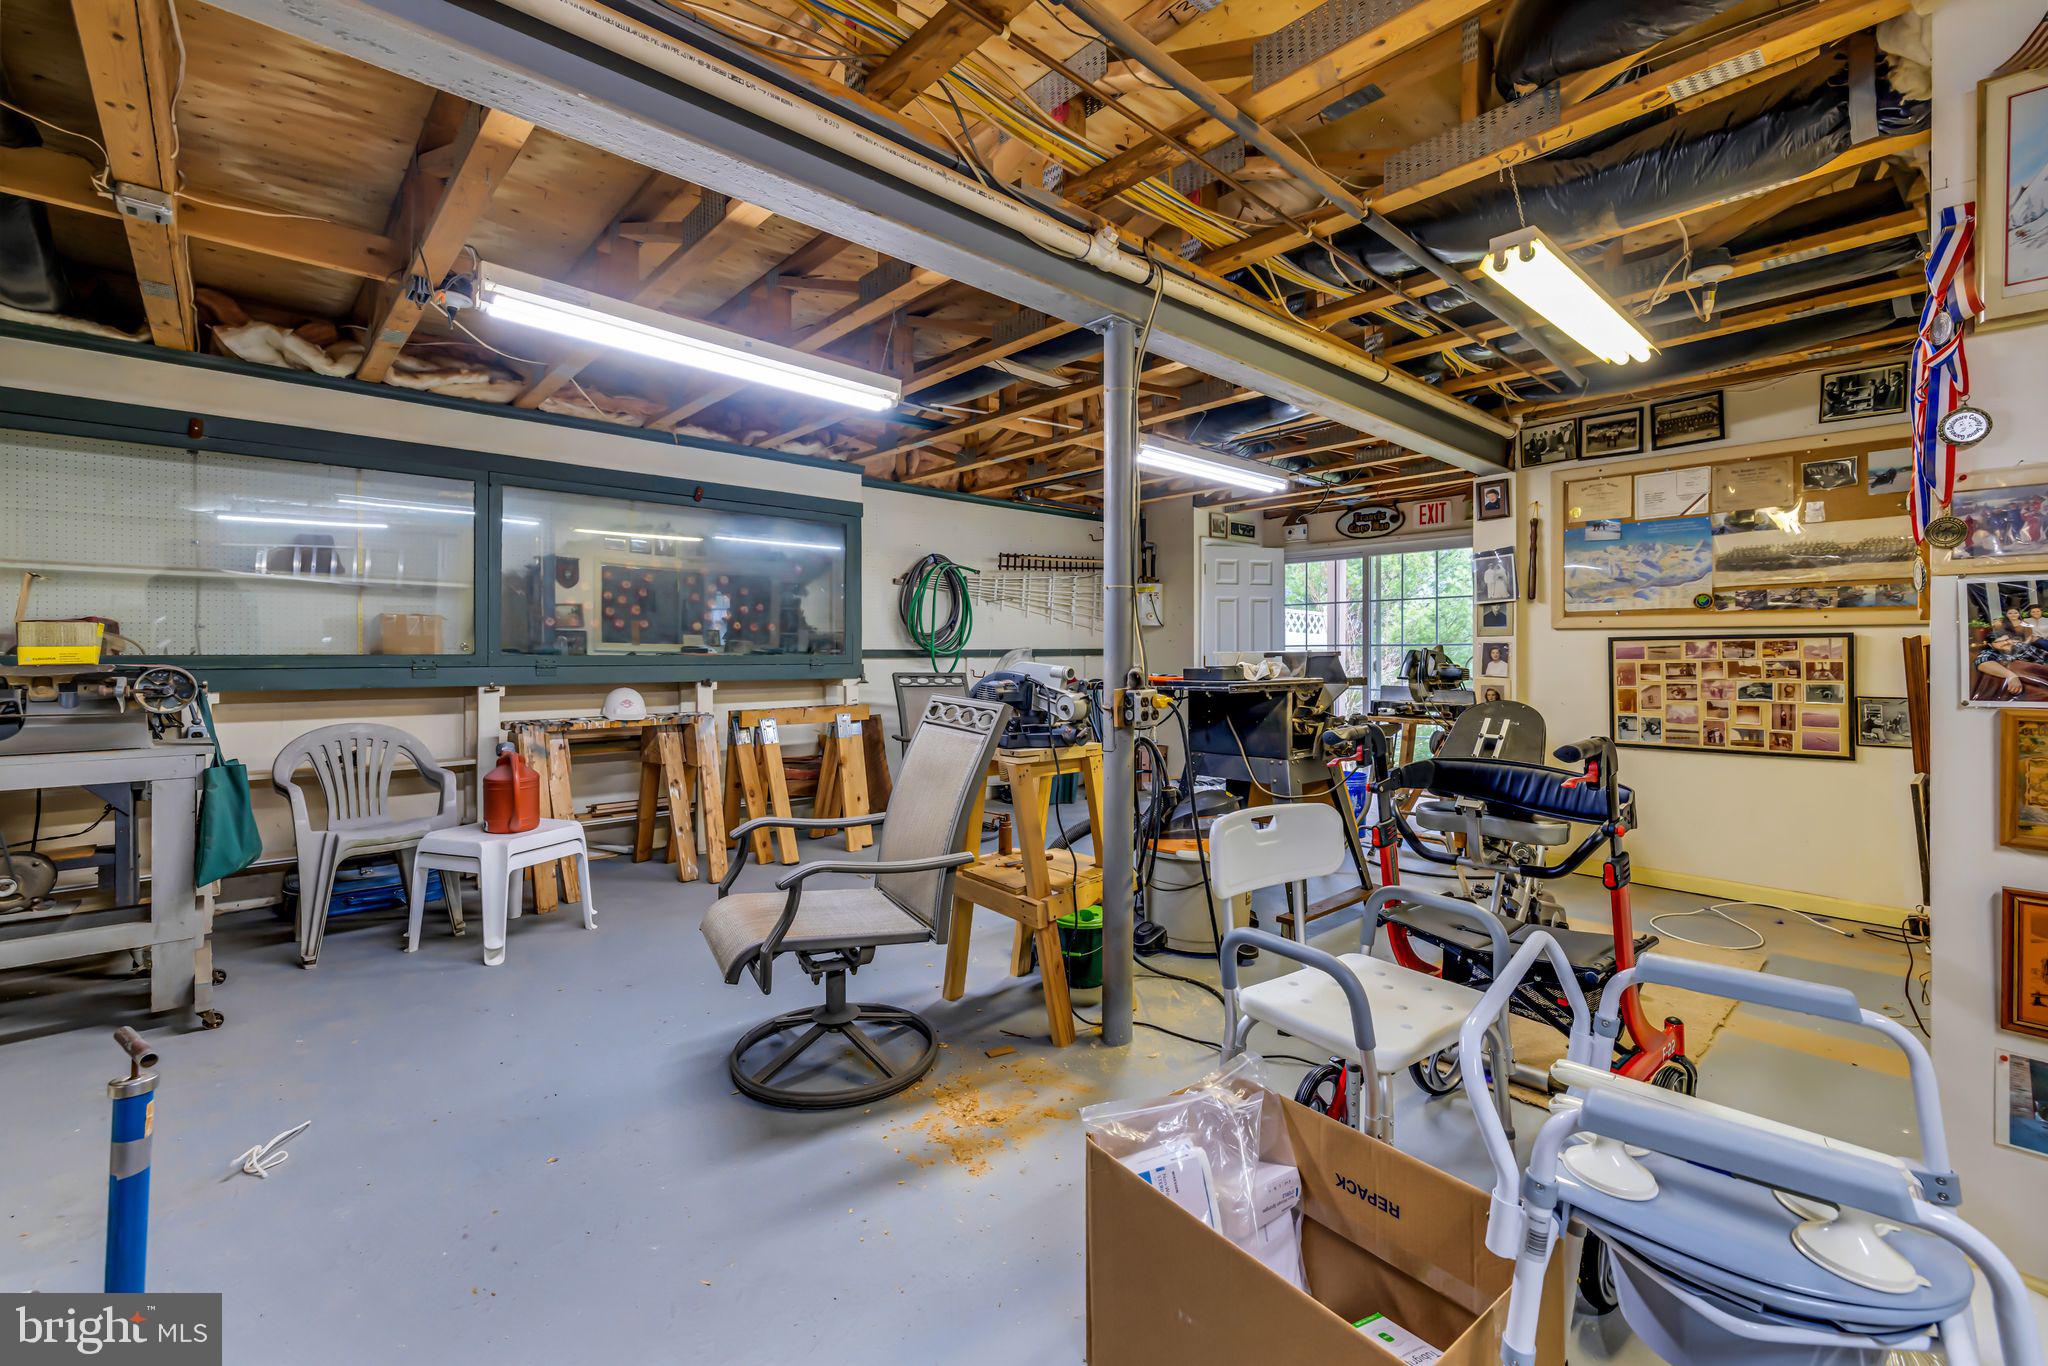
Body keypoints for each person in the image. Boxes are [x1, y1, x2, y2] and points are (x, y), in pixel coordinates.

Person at [1973, 629, 2048, 700]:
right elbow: (1982, 662)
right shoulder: (1990, 653)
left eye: (2007, 639)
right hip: (2029, 685)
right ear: (1990, 645)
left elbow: (2044, 656)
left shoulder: (2020, 646)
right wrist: (2011, 676)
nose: (2005, 643)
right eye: (1999, 641)